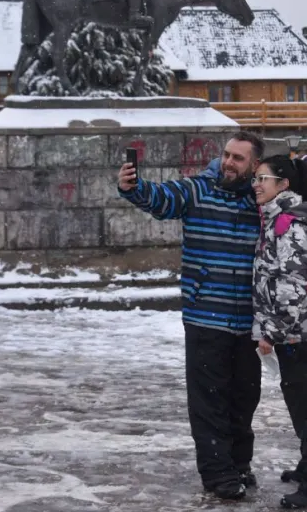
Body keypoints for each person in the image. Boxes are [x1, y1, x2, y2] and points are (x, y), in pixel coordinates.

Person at [117, 132, 264, 500]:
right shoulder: (199, 189)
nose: (230, 162)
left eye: (239, 159)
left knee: (245, 398)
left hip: (248, 320)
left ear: (254, 166)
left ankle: (239, 463)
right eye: (227, 155)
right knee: (209, 401)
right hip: (205, 316)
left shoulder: (260, 201)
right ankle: (217, 474)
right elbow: (163, 199)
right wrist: (133, 187)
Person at [251, 154, 307, 509]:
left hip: (299, 332)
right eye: (255, 178)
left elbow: (291, 287)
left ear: (283, 185)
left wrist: (269, 333)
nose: (256, 184)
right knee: (302, 406)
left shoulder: (289, 225)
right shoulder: (278, 219)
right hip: (295, 331)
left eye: (263, 179)